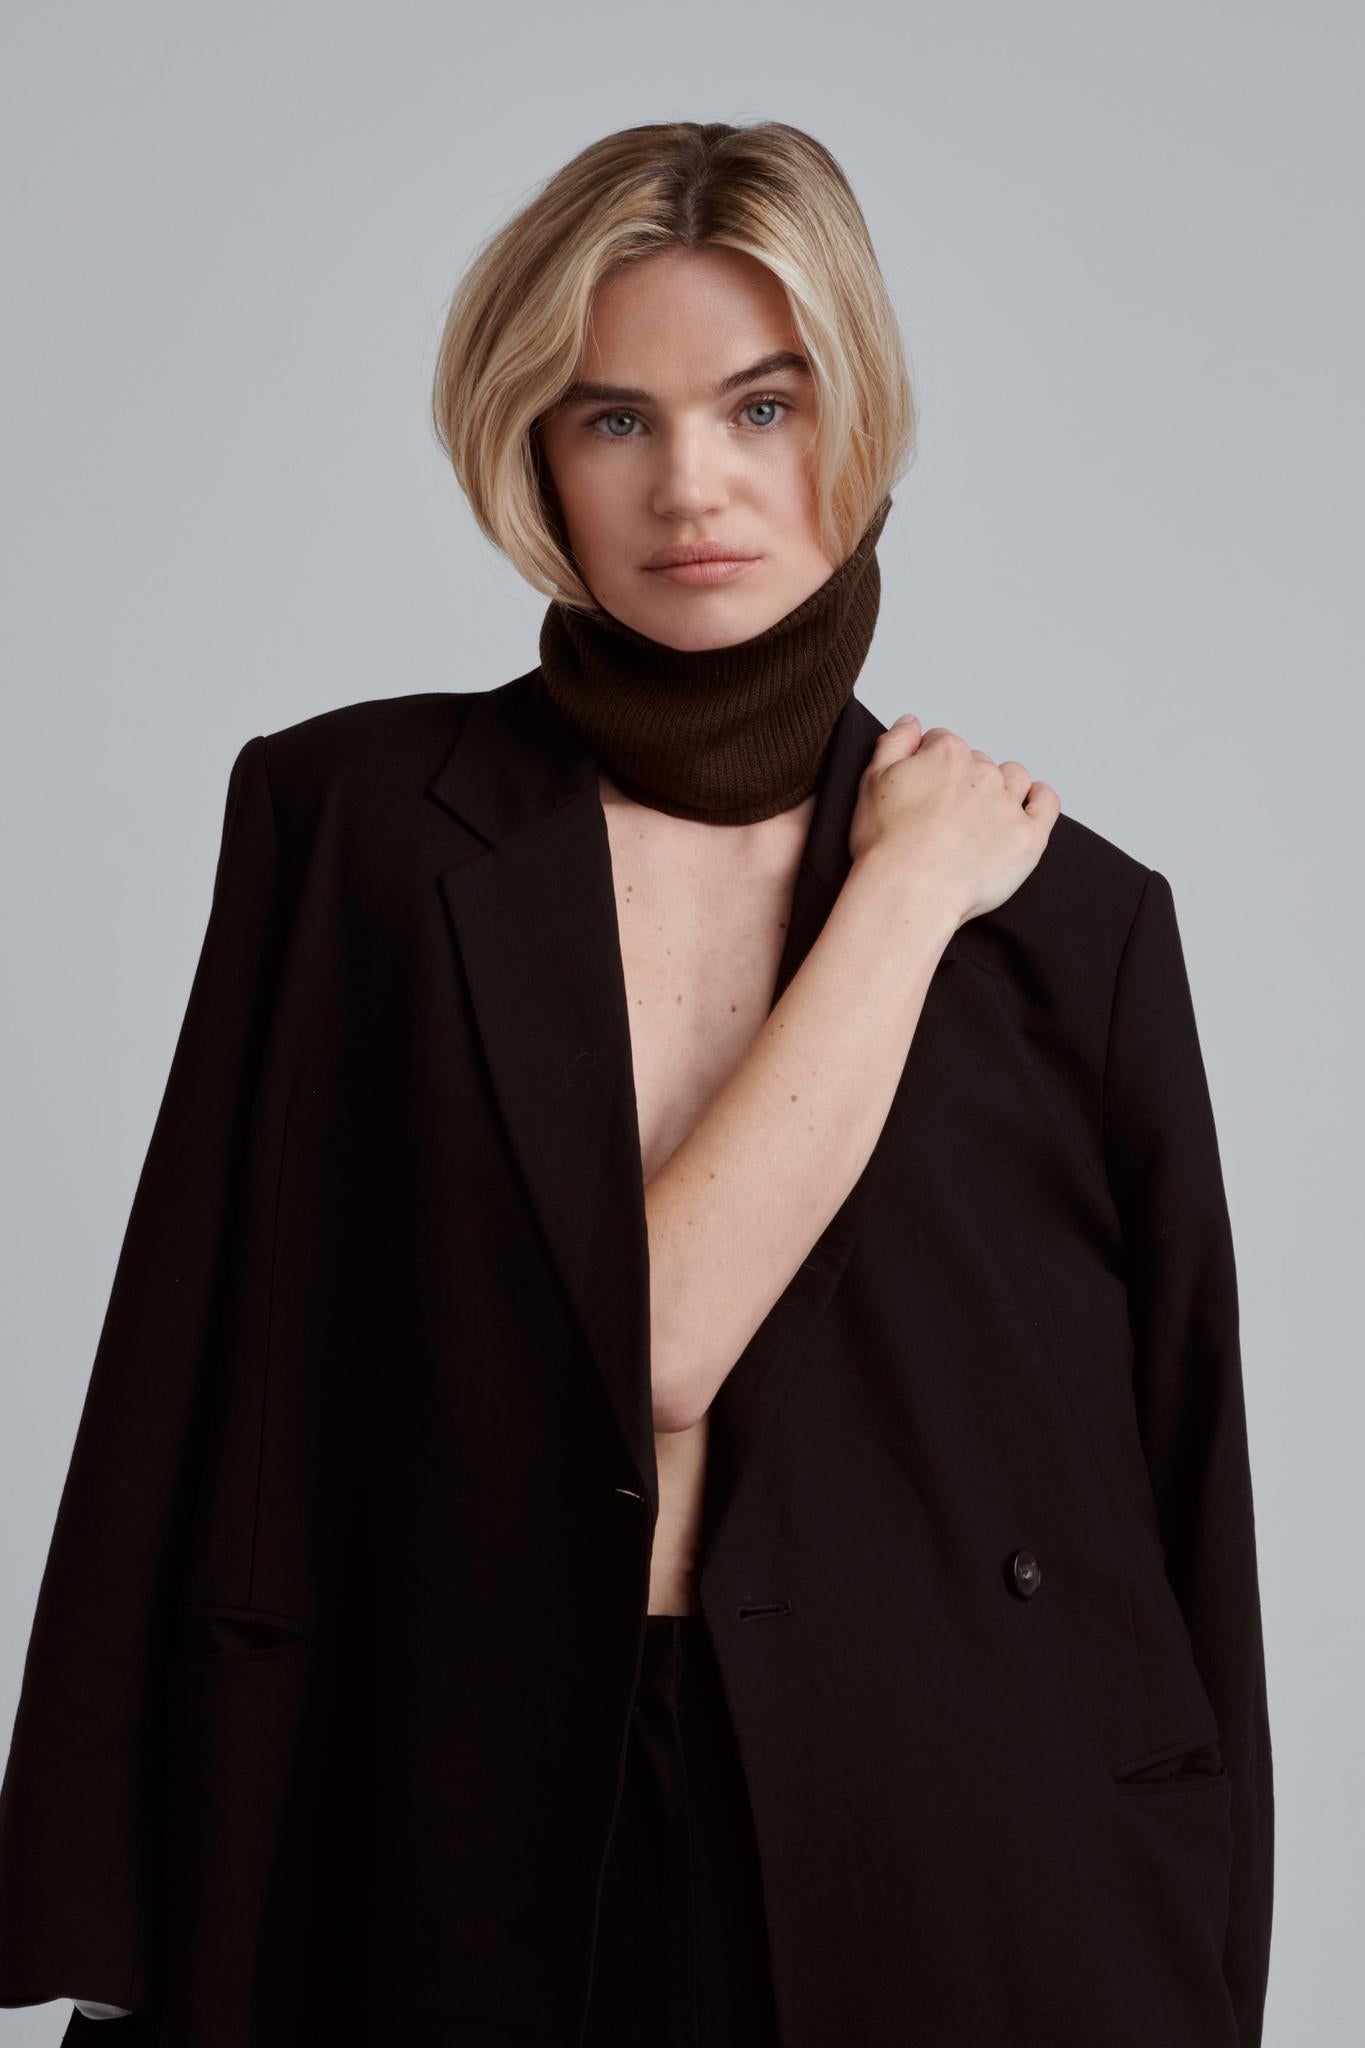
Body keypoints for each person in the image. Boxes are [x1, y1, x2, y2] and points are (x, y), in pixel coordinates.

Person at [0, 120, 1272, 2047]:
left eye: (762, 406)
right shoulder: (355, 826)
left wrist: (1200, 1938)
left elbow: (1178, 1482)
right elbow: (184, 1362)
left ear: (855, 414)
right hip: (431, 1806)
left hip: (948, 1840)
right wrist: (110, 1912)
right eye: (615, 419)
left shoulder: (1072, 923)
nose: (693, 486)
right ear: (530, 450)